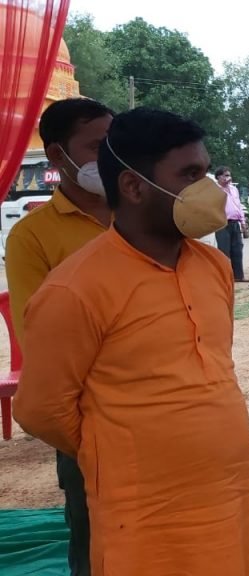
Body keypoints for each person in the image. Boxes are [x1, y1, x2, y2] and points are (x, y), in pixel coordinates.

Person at [13, 107, 249, 575]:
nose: (208, 190)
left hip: (239, 493)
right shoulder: (73, 289)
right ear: (134, 187)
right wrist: (124, 448)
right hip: (146, 518)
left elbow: (214, 369)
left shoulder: (214, 267)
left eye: (206, 172)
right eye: (190, 175)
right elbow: (41, 410)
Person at [4, 97, 113, 576]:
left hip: (163, 408)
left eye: (116, 144)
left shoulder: (146, 216)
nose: (110, 156)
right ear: (56, 155)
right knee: (95, 538)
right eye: (97, 146)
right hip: (90, 418)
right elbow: (39, 337)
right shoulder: (33, 237)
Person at [213, 166, 248, 282]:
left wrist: (243, 222)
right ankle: (225, 278)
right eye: (226, 175)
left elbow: (238, 206)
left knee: (237, 249)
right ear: (219, 177)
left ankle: (238, 276)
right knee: (224, 251)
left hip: (235, 222)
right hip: (222, 224)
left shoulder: (233, 189)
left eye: (229, 175)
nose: (229, 178)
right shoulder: (215, 190)